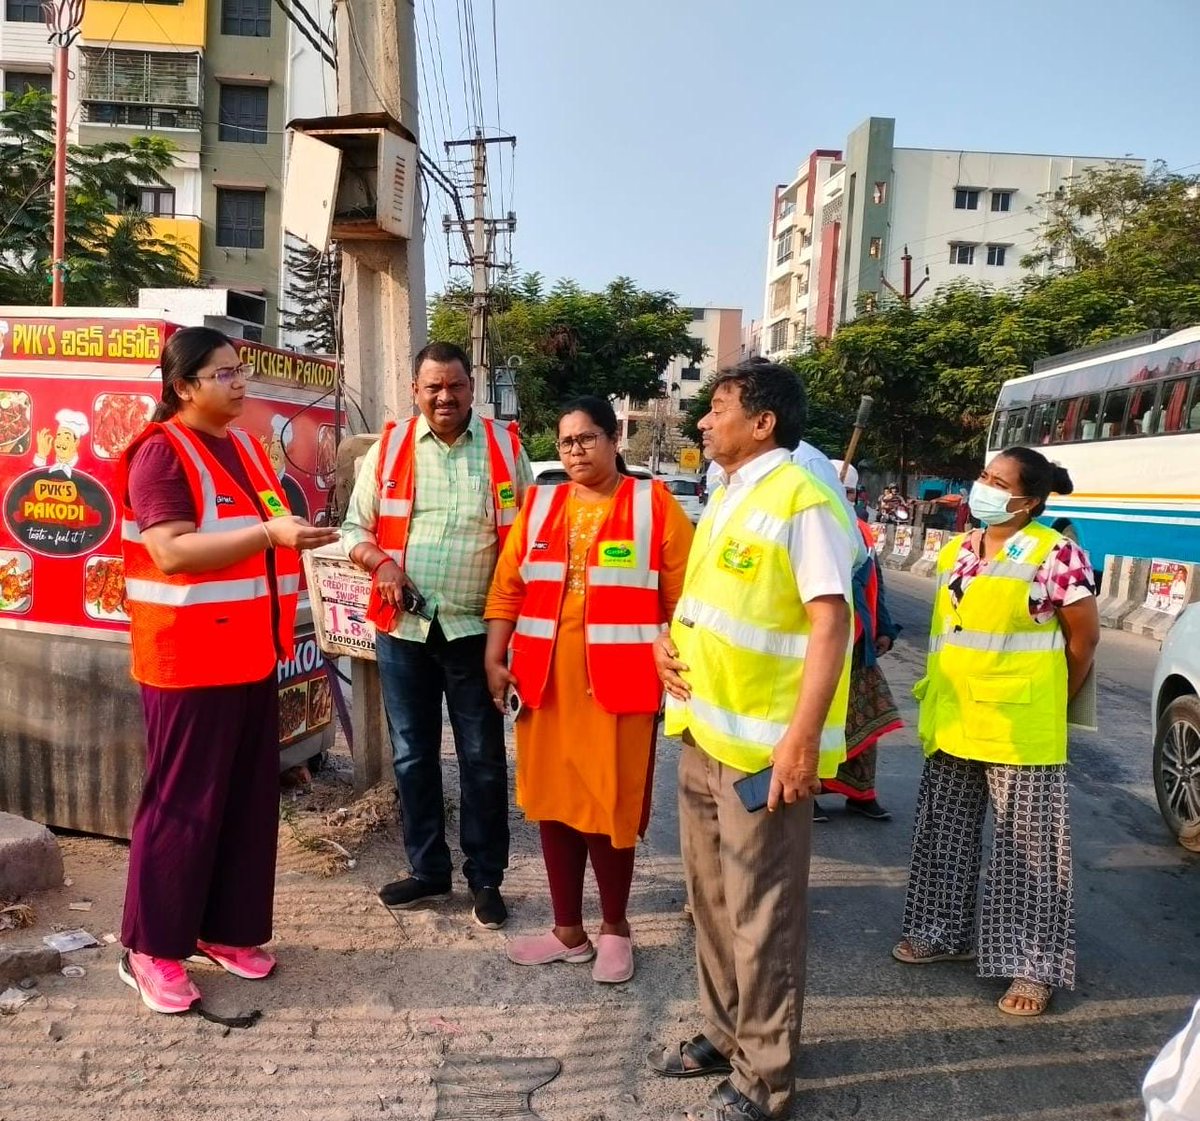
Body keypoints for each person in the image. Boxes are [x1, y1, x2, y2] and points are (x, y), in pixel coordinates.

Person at [650, 360, 854, 1121]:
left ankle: (765, 1077)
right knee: (710, 901)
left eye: (718, 408)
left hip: (763, 753)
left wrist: (801, 742)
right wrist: (665, 645)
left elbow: (830, 622)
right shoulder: (732, 496)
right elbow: (710, 604)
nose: (704, 421)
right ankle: (722, 1030)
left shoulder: (803, 500)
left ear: (763, 423)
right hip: (704, 733)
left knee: (761, 915)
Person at [117, 327, 338, 1014]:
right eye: (223, 374)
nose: (240, 383)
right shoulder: (160, 452)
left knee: (246, 802)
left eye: (240, 370)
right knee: (182, 805)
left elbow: (272, 530)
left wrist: (310, 541)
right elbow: (174, 553)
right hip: (186, 660)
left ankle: (227, 930)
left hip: (249, 652)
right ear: (183, 387)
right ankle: (150, 947)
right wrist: (269, 535)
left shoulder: (244, 448)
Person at [483, 397, 694, 983]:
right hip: (544, 682)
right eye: (567, 441)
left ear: (613, 440)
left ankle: (617, 930)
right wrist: (493, 656)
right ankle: (567, 930)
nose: (576, 450)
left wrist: (677, 665)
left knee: (611, 807)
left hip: (620, 688)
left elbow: (684, 602)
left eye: (588, 438)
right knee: (553, 804)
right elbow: (508, 589)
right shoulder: (540, 503)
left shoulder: (653, 505)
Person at [894, 446, 1099, 1018]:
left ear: (1028, 500)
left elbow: (1083, 641)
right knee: (944, 836)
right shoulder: (959, 548)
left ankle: (1033, 967)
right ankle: (941, 934)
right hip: (954, 717)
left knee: (1028, 852)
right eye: (984, 475)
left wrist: (1055, 699)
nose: (983, 486)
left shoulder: (1056, 555)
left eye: (997, 480)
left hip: (1019, 726)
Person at [341, 341, 533, 930]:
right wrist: (383, 565)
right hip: (406, 629)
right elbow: (354, 526)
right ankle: (428, 872)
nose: (444, 397)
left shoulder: (506, 446)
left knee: (481, 757)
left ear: (471, 387)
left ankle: (486, 879)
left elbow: (528, 539)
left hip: (478, 630)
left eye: (455, 386)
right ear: (415, 391)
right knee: (413, 755)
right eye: (433, 387)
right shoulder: (390, 447)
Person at [815, 461, 902, 823]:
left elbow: (874, 583)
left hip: (858, 645)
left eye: (850, 493)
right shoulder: (812, 528)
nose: (845, 499)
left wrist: (883, 628)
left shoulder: (862, 532)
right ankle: (811, 793)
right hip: (818, 646)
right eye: (841, 492)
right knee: (817, 723)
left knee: (868, 724)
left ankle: (861, 794)